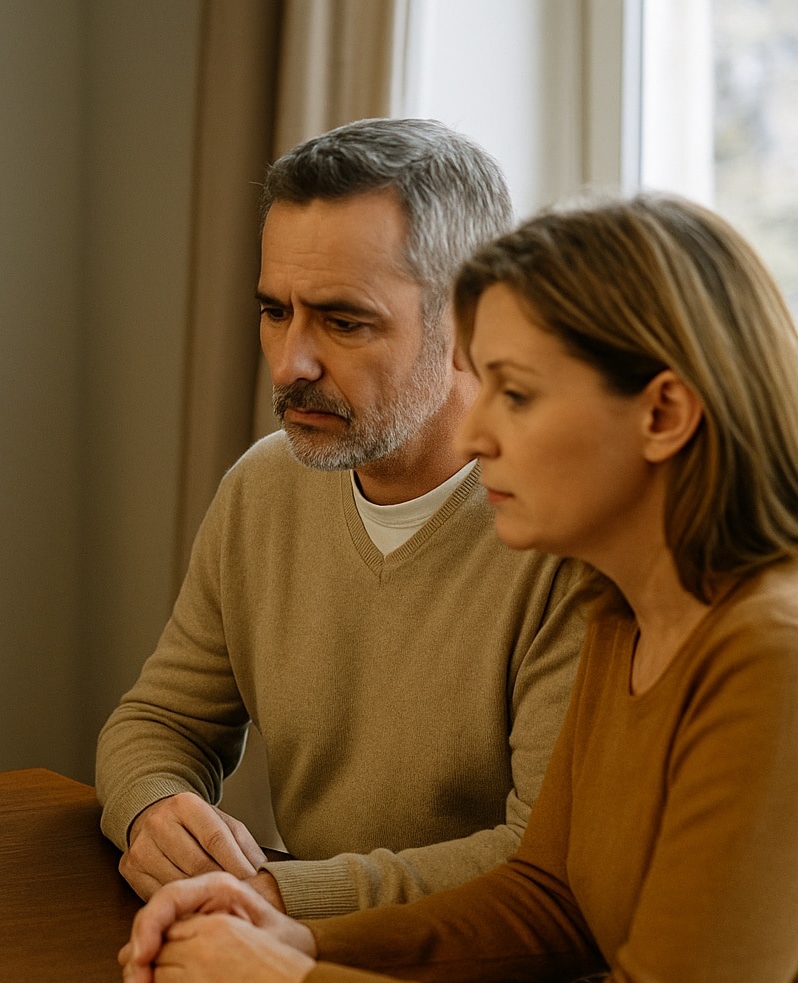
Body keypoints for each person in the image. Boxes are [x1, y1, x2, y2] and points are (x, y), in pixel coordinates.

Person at [120, 193, 798, 983]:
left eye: (513, 394)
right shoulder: (624, 610)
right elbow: (549, 899)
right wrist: (299, 938)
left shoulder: (772, 659)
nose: (474, 436)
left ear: (663, 414)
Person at [96, 118, 586, 918]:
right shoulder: (265, 486)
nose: (290, 363)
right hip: (294, 946)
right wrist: (155, 812)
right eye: (274, 311)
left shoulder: (566, 532)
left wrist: (272, 895)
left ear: (470, 321)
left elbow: (541, 858)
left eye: (343, 321)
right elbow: (161, 720)